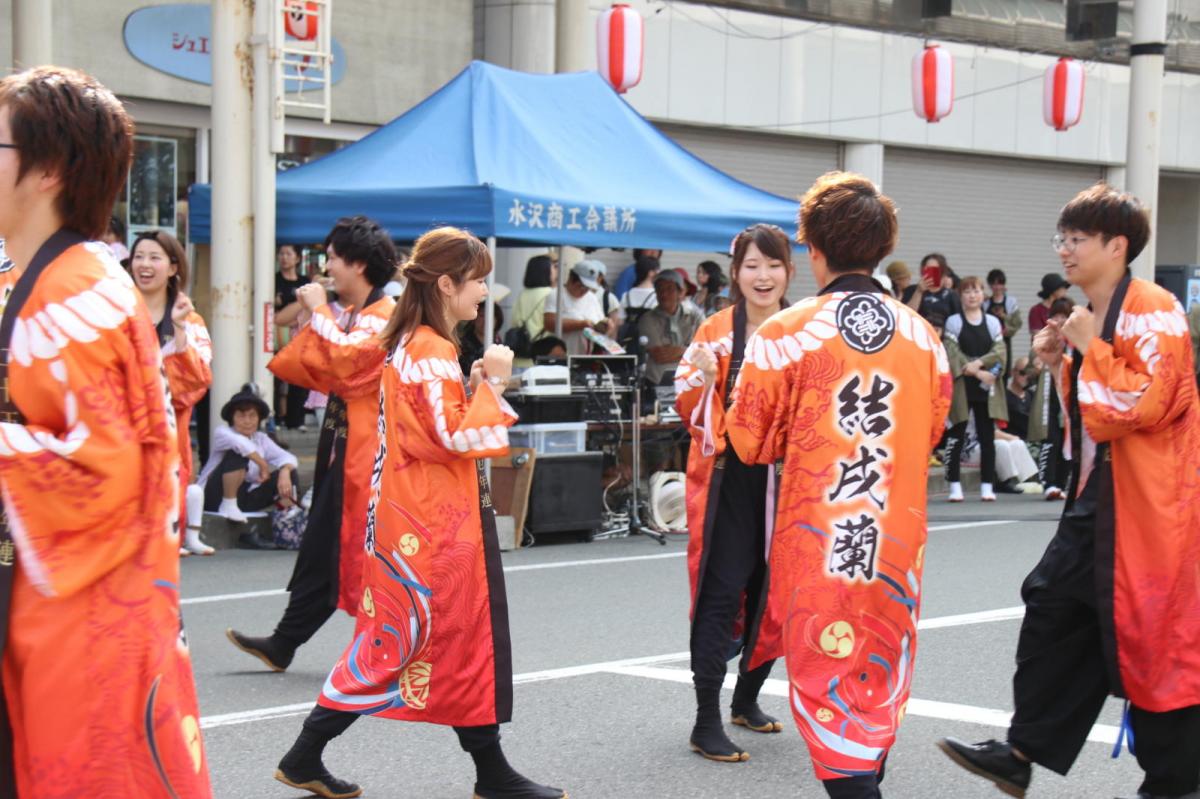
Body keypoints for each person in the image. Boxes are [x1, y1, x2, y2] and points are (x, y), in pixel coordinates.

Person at [274, 226, 565, 799]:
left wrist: (477, 382)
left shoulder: (414, 341)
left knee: (452, 642)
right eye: (479, 281)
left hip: (419, 518)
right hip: (430, 527)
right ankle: (306, 751)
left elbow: (432, 425)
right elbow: (454, 438)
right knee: (402, 643)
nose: (485, 291)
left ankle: (490, 770)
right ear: (449, 283)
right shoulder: (431, 347)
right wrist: (497, 384)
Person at [938, 184, 1200, 799]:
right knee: (1061, 608)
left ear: (1118, 245)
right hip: (1108, 495)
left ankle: (1174, 778)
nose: (1066, 249)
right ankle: (1024, 749)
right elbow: (1095, 415)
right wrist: (1064, 362)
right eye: (1063, 238)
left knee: (1150, 633)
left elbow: (1144, 404)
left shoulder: (1153, 307)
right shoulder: (1098, 312)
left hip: (1151, 504)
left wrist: (1088, 350)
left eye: (1078, 239)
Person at [0, 65, 212, 797]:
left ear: (48, 167)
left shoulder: (70, 297)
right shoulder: (72, 281)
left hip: (76, 619)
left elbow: (101, 473)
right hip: (79, 601)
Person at [727, 172, 951, 799]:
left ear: (811, 248)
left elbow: (748, 441)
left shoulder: (783, 333)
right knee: (875, 678)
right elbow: (931, 429)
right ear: (883, 246)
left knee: (827, 686)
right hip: (894, 544)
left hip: (819, 543)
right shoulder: (922, 337)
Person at [226, 216, 397, 673]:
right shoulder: (358, 316)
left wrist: (319, 312)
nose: (329, 268)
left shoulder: (384, 317)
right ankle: (284, 641)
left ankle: (383, 648)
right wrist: (316, 317)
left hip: (367, 455)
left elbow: (343, 363)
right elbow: (317, 366)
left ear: (358, 264)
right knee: (323, 548)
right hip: (343, 446)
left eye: (334, 259)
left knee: (356, 552)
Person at [675, 224, 793, 763]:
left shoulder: (804, 329)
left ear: (790, 270)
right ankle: (706, 719)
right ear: (735, 272)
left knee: (777, 593)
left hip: (791, 481)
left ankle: (746, 700)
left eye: (773, 265)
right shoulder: (717, 331)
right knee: (721, 595)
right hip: (730, 477)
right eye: (751, 266)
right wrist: (703, 382)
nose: (762, 276)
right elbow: (685, 399)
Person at [129, 230, 215, 556]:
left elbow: (194, 384)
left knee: (158, 552)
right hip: (118, 440)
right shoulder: (116, 314)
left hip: (166, 442)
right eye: (139, 257)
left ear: (173, 267)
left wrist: (178, 331)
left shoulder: (190, 321)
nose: (144, 264)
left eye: (154, 257)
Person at [192, 385, 300, 526]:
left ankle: (287, 515)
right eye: (241, 416)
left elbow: (288, 457)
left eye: (252, 416)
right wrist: (263, 465)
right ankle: (228, 504)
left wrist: (285, 471)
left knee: (290, 471)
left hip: (244, 498)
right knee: (238, 455)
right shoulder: (223, 432)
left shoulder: (261, 438)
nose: (247, 421)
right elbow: (242, 446)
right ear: (232, 418)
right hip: (214, 497)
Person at [942, 276, 1009, 503]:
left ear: (983, 295)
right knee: (956, 435)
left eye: (977, 291)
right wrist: (970, 369)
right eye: (967, 291)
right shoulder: (954, 322)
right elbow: (951, 351)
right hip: (961, 385)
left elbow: (999, 352)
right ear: (960, 296)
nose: (972, 295)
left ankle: (987, 485)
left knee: (987, 436)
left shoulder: (992, 322)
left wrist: (979, 367)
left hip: (985, 387)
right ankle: (953, 484)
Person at [1029, 296, 1075, 501]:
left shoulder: (1076, 339)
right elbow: (1034, 360)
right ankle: (1048, 482)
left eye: (1064, 315)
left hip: (1070, 391)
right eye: (1055, 315)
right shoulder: (1046, 336)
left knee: (1068, 437)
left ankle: (1061, 481)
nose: (1059, 320)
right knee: (1052, 437)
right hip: (1050, 392)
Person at [639, 270, 704, 387]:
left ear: (680, 292)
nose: (664, 294)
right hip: (657, 383)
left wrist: (681, 351)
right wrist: (690, 350)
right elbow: (659, 355)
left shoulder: (695, 316)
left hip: (691, 381)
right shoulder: (647, 319)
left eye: (669, 289)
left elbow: (705, 350)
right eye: (660, 289)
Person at [274, 243, 312, 430]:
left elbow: (310, 309)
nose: (284, 257)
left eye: (288, 254)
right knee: (277, 376)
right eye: (281, 253)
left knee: (299, 378)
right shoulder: (273, 280)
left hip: (301, 336)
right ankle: (277, 418)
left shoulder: (305, 281)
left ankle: (296, 420)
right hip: (278, 336)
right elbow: (274, 312)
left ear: (297, 258)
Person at [543, 261, 610, 356]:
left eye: (588, 288)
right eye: (581, 286)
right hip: (562, 356)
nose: (584, 291)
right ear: (571, 279)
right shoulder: (556, 295)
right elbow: (549, 323)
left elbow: (600, 320)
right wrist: (581, 324)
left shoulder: (592, 298)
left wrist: (606, 325)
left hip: (586, 356)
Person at [509, 254, 556, 369]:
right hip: (541, 358)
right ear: (546, 271)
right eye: (553, 267)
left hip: (518, 358)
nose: (556, 271)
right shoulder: (551, 294)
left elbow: (514, 321)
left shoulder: (521, 294)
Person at [986, 268, 1023, 378]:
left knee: (1004, 370)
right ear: (990, 285)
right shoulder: (985, 303)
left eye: (1000, 283)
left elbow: (1017, 323)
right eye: (994, 284)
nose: (997, 287)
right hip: (988, 342)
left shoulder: (1011, 302)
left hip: (1005, 341)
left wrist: (1005, 317)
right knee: (989, 369)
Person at [909, 253, 962, 321]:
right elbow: (907, 314)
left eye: (936, 269)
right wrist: (919, 291)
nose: (932, 272)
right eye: (928, 269)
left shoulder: (951, 295)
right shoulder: (911, 290)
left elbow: (957, 319)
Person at [1028, 272, 1070, 339]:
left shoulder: (1066, 306)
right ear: (1053, 290)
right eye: (1062, 287)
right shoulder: (1036, 310)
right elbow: (1038, 335)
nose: (1065, 290)